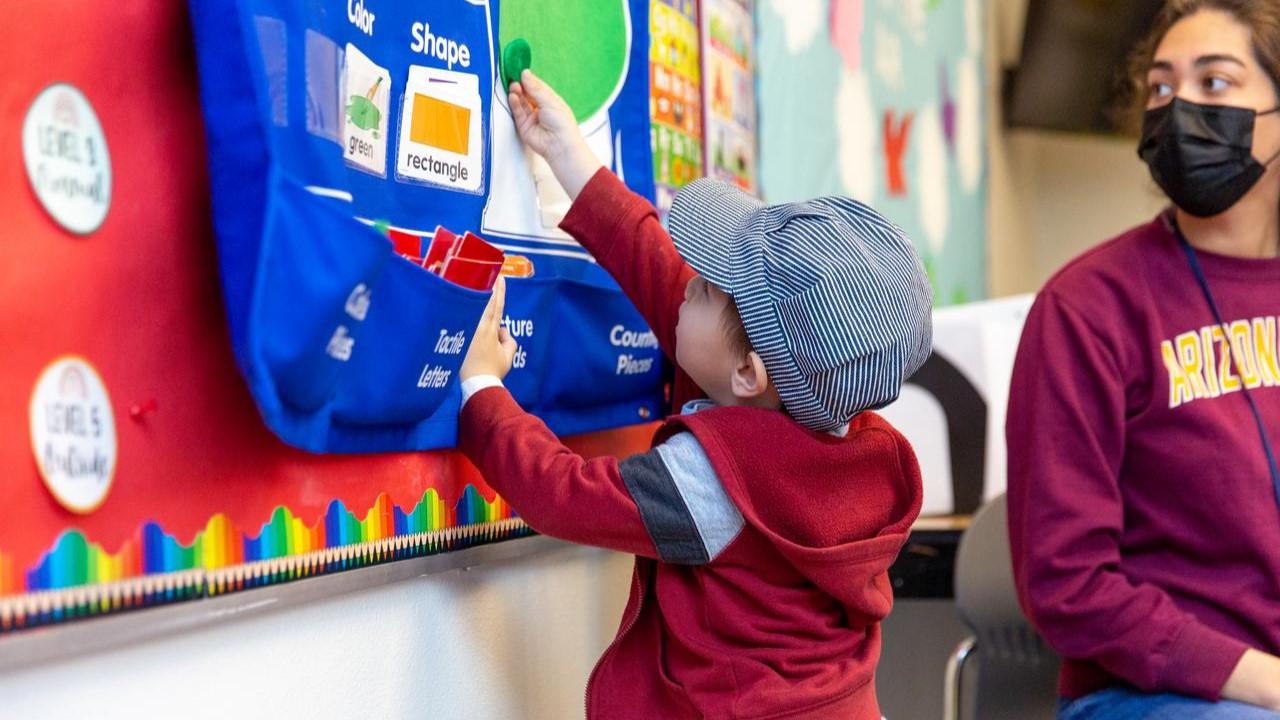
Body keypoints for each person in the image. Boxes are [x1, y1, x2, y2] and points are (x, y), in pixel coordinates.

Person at [455, 69, 932, 719]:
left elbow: (561, 496)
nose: (687, 287)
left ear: (747, 376)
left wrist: (482, 387)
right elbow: (664, 273)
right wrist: (571, 160)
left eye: (706, 289)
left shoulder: (713, 482)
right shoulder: (843, 433)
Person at [1006, 1, 1280, 717]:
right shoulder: (1087, 308)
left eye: (1215, 83)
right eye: (1161, 88)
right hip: (1150, 693)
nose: (1178, 108)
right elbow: (1066, 584)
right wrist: (1262, 681)